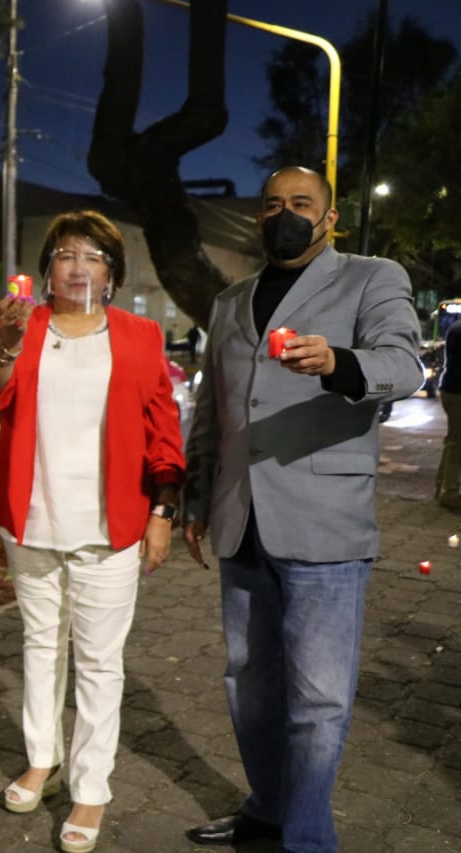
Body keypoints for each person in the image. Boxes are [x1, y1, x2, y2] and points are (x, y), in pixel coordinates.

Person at [183, 166, 423, 853]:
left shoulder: (371, 277)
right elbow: (213, 409)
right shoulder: (231, 300)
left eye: (300, 203)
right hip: (241, 519)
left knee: (317, 701)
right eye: (271, 204)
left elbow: (404, 364)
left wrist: (339, 363)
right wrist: (197, 499)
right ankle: (266, 808)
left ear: (329, 216)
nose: (283, 213)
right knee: (249, 686)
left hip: (325, 522)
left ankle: (307, 839)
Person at [0, 210, 184, 853]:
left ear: (111, 273)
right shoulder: (25, 327)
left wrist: (162, 515)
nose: (77, 265)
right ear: (48, 270)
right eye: (65, 253)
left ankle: (90, 789)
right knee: (39, 646)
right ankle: (42, 758)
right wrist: (1, 344)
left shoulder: (141, 336)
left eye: (92, 255)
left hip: (110, 525)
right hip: (31, 519)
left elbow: (164, 433)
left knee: (97, 661)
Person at [435, 318, 461, 508]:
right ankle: (449, 491)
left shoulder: (456, 328)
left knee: (453, 440)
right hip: (457, 392)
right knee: (456, 443)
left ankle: (442, 487)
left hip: (452, 389)